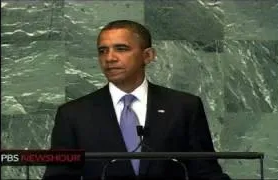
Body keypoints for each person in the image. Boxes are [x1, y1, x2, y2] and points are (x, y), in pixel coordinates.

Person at [43, 20, 231, 180]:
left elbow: (206, 172)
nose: (109, 58)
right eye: (103, 51)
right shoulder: (73, 114)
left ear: (147, 56)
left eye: (121, 49)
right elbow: (59, 176)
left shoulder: (183, 107)